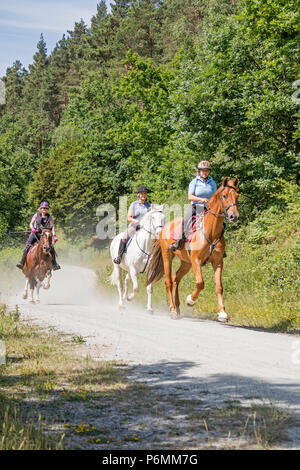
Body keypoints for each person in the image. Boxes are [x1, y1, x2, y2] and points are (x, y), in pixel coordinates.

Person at [170, 160, 217, 252]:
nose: (205, 172)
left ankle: (219, 246)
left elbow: (215, 196)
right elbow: (190, 196)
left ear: (209, 171)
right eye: (203, 170)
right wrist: (201, 199)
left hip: (209, 208)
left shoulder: (213, 183)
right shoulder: (194, 182)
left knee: (219, 224)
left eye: (206, 170)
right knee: (186, 222)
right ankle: (178, 242)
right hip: (196, 207)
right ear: (199, 171)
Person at [16, 201, 61, 270]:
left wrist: (54, 236)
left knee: (51, 247)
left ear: (48, 209)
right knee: (27, 246)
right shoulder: (36, 215)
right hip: (35, 234)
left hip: (45, 235)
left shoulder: (49, 217)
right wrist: (32, 228)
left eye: (46, 208)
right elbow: (31, 223)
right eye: (43, 208)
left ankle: (54, 264)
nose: (44, 210)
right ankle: (22, 262)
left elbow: (52, 227)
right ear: (40, 209)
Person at [113, 185, 151, 264]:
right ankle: (119, 257)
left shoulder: (149, 205)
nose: (143, 195)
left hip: (146, 227)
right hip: (135, 226)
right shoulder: (134, 204)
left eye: (145, 193)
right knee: (125, 237)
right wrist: (137, 221)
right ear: (138, 195)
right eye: (142, 193)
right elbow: (129, 217)